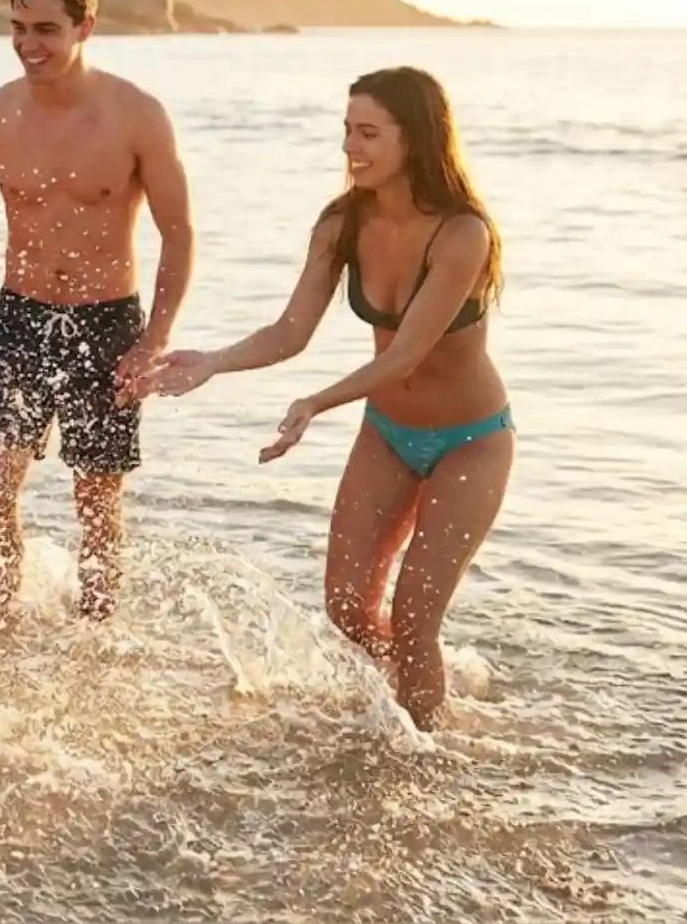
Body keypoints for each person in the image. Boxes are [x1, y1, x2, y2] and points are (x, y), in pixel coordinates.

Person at [138, 67, 511, 730]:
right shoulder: (342, 222)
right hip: (389, 431)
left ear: (416, 140)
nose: (350, 147)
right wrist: (215, 363)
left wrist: (313, 403)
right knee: (345, 606)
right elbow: (290, 331)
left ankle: (426, 758)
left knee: (416, 616)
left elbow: (406, 354)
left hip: (472, 441)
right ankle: (406, 697)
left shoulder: (463, 235)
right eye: (347, 130)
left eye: (368, 133)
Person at [0, 0, 194, 621]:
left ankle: (94, 639)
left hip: (108, 325)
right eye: (17, 27)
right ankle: (0, 630)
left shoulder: (137, 116)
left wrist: (154, 342)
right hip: (20, 321)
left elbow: (178, 234)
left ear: (84, 25)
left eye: (44, 30)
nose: (27, 45)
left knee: (96, 503)